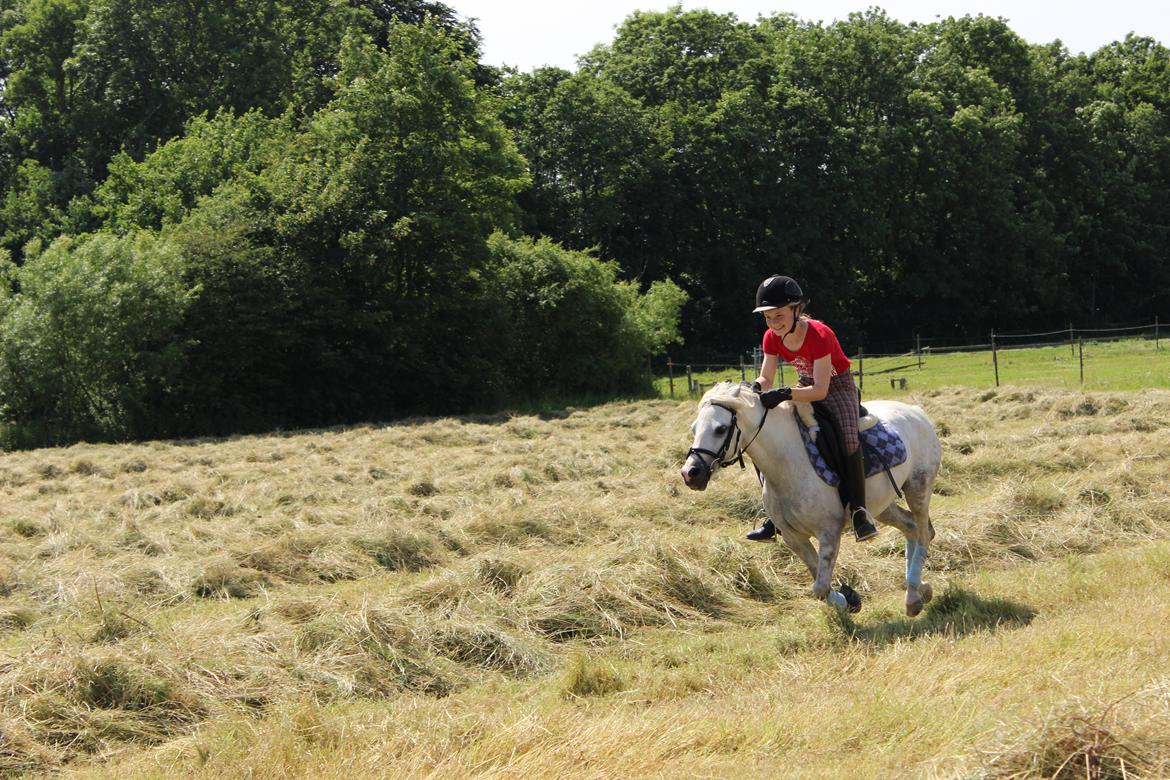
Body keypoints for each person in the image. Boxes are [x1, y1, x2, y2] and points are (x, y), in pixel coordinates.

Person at [746, 274, 879, 543]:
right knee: (767, 435)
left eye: (779, 315)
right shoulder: (771, 337)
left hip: (837, 387)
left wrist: (784, 393)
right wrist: (753, 388)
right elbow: (766, 378)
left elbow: (821, 390)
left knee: (849, 439)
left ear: (797, 310)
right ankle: (774, 514)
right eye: (768, 317)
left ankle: (859, 512)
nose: (773, 323)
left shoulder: (820, 334)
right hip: (805, 385)